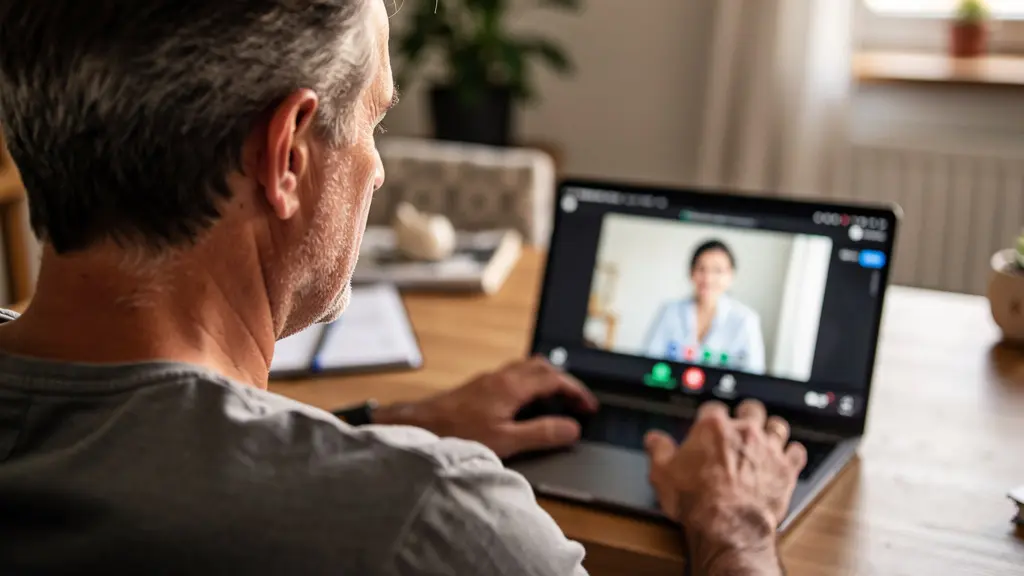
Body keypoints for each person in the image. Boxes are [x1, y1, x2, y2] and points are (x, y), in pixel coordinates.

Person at [0, 1, 805, 574]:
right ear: (286, 156)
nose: (378, 168)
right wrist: (735, 532)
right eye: (374, 122)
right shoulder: (434, 525)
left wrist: (390, 421)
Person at [644, 239, 767, 374]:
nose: (707, 278)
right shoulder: (669, 311)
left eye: (717, 271)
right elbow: (648, 361)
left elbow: (753, 373)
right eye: (701, 269)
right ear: (691, 273)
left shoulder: (746, 320)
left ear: (730, 276)